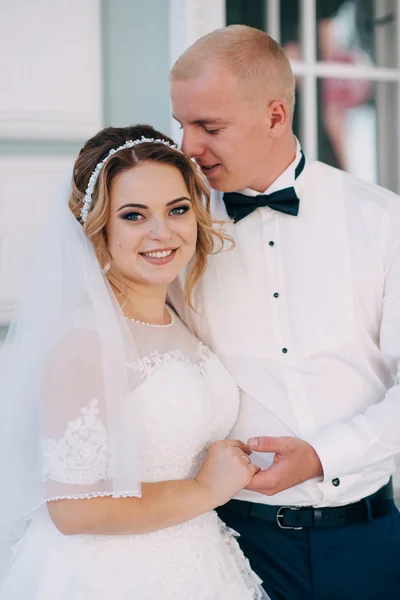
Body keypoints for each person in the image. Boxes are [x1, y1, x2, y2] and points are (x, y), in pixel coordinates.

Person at [169, 25, 400, 600]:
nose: (188, 147)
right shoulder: (175, 235)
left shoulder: (382, 221)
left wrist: (324, 456)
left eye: (209, 127)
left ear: (275, 116)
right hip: (229, 546)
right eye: (182, 125)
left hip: (368, 541)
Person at [0, 124, 269, 599]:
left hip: (199, 562)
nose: (161, 233)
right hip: (108, 577)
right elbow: (74, 511)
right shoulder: (83, 341)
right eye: (134, 215)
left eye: (178, 209)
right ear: (98, 226)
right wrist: (207, 491)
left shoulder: (178, 316)